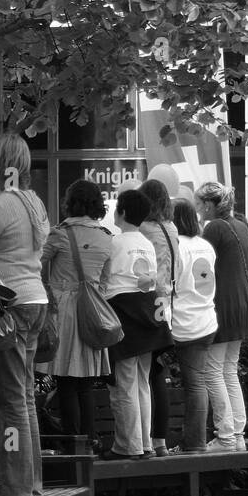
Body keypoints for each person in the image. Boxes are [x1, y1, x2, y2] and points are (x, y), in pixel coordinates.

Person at [0, 133, 50, 496]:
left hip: (10, 308)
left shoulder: (0, 206)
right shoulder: (33, 203)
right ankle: (31, 483)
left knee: (9, 402)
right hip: (36, 300)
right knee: (24, 398)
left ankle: (15, 489)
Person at [40, 179, 112, 453]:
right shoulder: (106, 237)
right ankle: (90, 440)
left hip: (64, 312)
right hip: (93, 311)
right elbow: (105, 280)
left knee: (66, 381)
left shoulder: (59, 234)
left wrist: (50, 292)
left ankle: (72, 444)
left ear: (70, 202)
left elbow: (37, 266)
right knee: (85, 384)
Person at [102, 189, 170, 459]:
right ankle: (145, 444)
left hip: (124, 315)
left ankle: (128, 446)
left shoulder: (115, 244)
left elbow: (106, 280)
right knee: (141, 382)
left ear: (123, 212)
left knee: (125, 383)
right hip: (148, 317)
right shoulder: (147, 243)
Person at [197, 183, 248, 451]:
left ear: (209, 205)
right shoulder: (241, 226)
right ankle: (237, 434)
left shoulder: (214, 228)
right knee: (229, 370)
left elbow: (202, 267)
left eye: (200, 203)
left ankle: (226, 436)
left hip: (222, 305)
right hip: (241, 305)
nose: (197, 208)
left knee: (212, 371)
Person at [169, 198, 226, 453]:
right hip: (206, 320)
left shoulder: (176, 246)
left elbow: (171, 284)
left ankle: (194, 442)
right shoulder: (205, 246)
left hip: (184, 322)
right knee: (198, 381)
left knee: (194, 384)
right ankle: (195, 440)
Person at [138, 179, 176, 457]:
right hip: (168, 302)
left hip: (149, 301)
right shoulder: (172, 228)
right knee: (158, 372)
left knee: (145, 374)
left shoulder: (145, 230)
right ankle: (160, 439)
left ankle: (146, 441)